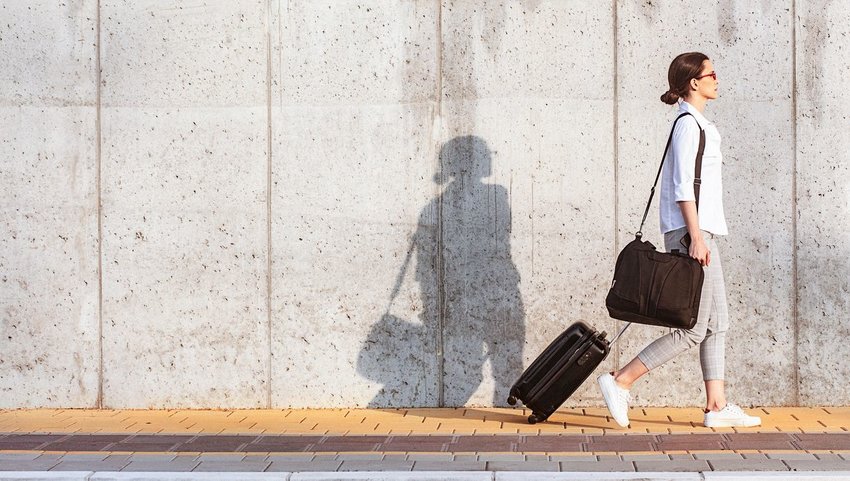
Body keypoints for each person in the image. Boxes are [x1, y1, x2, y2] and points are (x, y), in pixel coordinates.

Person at [597, 52, 762, 428]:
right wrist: (696, 237)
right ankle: (620, 380)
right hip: (693, 233)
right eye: (711, 74)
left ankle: (716, 407)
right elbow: (682, 187)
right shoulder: (689, 124)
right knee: (692, 328)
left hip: (700, 232)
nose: (717, 80)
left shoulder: (698, 123)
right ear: (693, 83)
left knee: (717, 323)